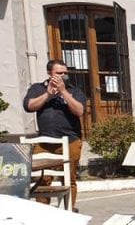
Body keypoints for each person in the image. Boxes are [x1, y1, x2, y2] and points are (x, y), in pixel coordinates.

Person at [22, 59, 87, 210]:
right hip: (45, 143)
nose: (63, 76)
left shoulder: (74, 90)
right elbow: (29, 106)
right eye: (59, 73)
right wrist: (48, 94)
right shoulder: (37, 89)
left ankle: (69, 209)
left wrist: (63, 91)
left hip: (70, 140)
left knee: (69, 179)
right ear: (49, 73)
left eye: (65, 73)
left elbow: (79, 111)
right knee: (42, 179)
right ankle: (44, 212)